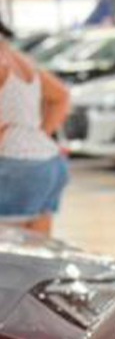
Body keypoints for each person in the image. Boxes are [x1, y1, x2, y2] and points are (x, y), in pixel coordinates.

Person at [0, 17, 70, 235]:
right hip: (48, 162)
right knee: (38, 249)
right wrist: (37, 134)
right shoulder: (21, 60)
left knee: (8, 250)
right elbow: (61, 96)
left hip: (13, 164)